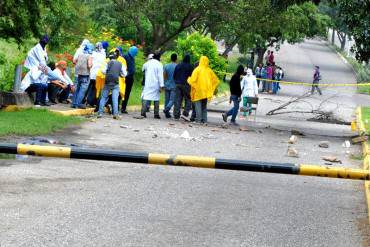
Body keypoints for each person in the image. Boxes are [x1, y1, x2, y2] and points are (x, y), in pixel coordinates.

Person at [187, 56, 219, 124]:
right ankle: (205, 120)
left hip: (198, 91)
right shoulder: (209, 70)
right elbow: (215, 80)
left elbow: (193, 80)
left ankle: (198, 120)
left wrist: (188, 79)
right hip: (206, 91)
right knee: (204, 107)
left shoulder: (197, 70)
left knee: (198, 106)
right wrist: (212, 88)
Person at [97, 52, 127, 119]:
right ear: (116, 57)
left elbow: (103, 71)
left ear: (109, 57)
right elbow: (124, 74)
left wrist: (108, 72)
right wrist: (120, 74)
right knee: (115, 99)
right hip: (115, 83)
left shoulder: (107, 63)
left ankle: (100, 113)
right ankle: (115, 114)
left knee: (103, 97)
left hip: (107, 82)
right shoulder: (120, 64)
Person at [141, 53, 164, 119]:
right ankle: (156, 114)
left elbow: (143, 69)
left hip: (148, 83)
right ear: (158, 58)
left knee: (146, 97)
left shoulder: (147, 63)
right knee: (156, 99)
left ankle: (143, 113)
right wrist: (161, 85)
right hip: (155, 85)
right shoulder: (159, 64)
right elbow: (160, 76)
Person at [72, 43, 93, 109]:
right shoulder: (89, 56)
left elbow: (74, 61)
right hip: (85, 75)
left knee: (77, 89)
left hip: (79, 74)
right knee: (82, 90)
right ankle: (78, 104)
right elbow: (89, 65)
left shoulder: (80, 54)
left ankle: (74, 103)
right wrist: (92, 64)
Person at [173, 54, 193, 120]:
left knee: (178, 100)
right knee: (188, 99)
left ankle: (176, 115)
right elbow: (192, 76)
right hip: (186, 85)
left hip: (178, 84)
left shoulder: (178, 65)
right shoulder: (190, 66)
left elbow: (174, 75)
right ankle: (185, 113)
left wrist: (177, 81)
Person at [87, 42, 106, 107]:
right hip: (99, 74)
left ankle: (88, 101)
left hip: (92, 73)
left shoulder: (93, 53)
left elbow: (90, 63)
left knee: (91, 87)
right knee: (96, 88)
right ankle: (92, 102)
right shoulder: (103, 54)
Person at [121, 46, 138, 113]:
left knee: (127, 93)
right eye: (135, 52)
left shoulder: (132, 58)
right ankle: (119, 107)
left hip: (130, 78)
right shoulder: (125, 56)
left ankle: (123, 108)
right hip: (125, 77)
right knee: (122, 92)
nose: (135, 54)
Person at [163, 53, 178, 118]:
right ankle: (167, 109)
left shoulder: (166, 66)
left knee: (167, 99)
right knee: (172, 99)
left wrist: (164, 82)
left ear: (171, 58)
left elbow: (164, 75)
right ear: (176, 59)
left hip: (167, 84)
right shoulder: (177, 66)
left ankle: (167, 114)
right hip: (174, 85)